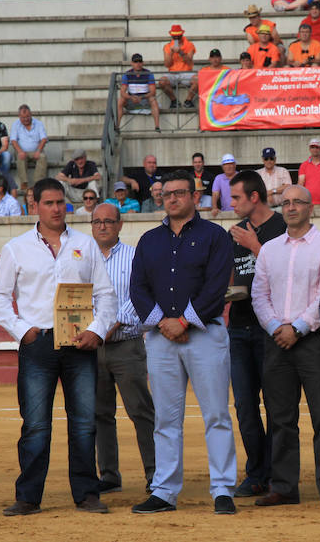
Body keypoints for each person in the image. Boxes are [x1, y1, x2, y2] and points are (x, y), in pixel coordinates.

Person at [0, 178, 118, 516]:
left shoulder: (86, 245)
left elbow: (105, 295)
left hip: (80, 343)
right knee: (35, 424)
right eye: (49, 203)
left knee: (84, 422)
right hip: (39, 343)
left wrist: (97, 331)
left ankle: (87, 493)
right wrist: (23, 331)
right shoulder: (16, 248)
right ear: (34, 205)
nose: (57, 209)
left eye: (61, 202)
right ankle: (28, 496)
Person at [128, 170, 237, 515]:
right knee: (165, 418)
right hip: (161, 337)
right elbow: (138, 288)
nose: (172, 199)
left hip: (204, 333)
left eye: (179, 193)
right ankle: (164, 490)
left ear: (194, 196)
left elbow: (217, 286)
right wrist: (164, 321)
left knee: (217, 414)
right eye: (166, 194)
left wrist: (184, 321)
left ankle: (222, 489)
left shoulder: (215, 236)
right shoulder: (148, 240)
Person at [250, 184, 320, 508]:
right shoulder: (269, 249)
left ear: (311, 207)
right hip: (277, 340)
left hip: (313, 340)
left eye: (297, 202)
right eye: (285, 202)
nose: (290, 207)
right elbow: (258, 295)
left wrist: (298, 328)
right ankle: (285, 486)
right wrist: (277, 327)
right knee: (280, 418)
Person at [225, 171, 287, 498]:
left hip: (271, 329)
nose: (230, 203)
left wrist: (254, 245)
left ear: (254, 197)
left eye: (236, 197)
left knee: (276, 405)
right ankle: (256, 472)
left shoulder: (280, 227)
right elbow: (233, 274)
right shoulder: (231, 232)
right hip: (238, 327)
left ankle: (277, 474)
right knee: (245, 406)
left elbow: (285, 274)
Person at [87, 203, 156, 495]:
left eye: (108, 221)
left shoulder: (133, 256)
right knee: (100, 413)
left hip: (126, 344)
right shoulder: (82, 257)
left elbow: (140, 295)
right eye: (97, 222)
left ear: (120, 225)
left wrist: (110, 323)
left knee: (141, 411)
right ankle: (110, 474)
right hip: (91, 348)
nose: (102, 226)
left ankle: (156, 474)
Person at [9, 104, 48, 191]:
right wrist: (20, 151)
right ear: (19, 116)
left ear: (31, 115)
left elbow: (44, 139)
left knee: (42, 157)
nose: (26, 119)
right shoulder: (16, 124)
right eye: (23, 117)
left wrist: (38, 151)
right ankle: (24, 182)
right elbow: (13, 140)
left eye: (27, 116)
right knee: (20, 156)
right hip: (22, 151)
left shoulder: (39, 124)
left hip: (36, 150)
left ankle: (38, 183)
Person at [118, 53, 161, 132]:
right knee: (120, 100)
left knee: (153, 100)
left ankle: (157, 126)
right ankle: (117, 126)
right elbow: (122, 92)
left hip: (144, 99)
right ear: (131, 63)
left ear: (142, 63)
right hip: (132, 100)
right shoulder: (127, 74)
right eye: (135, 62)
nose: (138, 64)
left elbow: (153, 92)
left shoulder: (148, 73)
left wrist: (142, 97)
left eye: (139, 61)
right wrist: (131, 97)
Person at [159, 25, 197, 109]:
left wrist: (181, 52)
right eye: (174, 37)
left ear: (182, 35)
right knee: (162, 82)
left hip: (186, 72)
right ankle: (174, 101)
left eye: (178, 37)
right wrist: (171, 53)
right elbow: (167, 64)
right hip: (172, 73)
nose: (176, 39)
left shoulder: (189, 45)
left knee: (198, 80)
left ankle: (188, 100)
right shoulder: (167, 46)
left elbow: (189, 62)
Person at [298, 138, 320, 208]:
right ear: (309, 149)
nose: (314, 149)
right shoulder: (304, 165)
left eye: (317, 147)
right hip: (307, 203)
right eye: (312, 147)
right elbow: (300, 184)